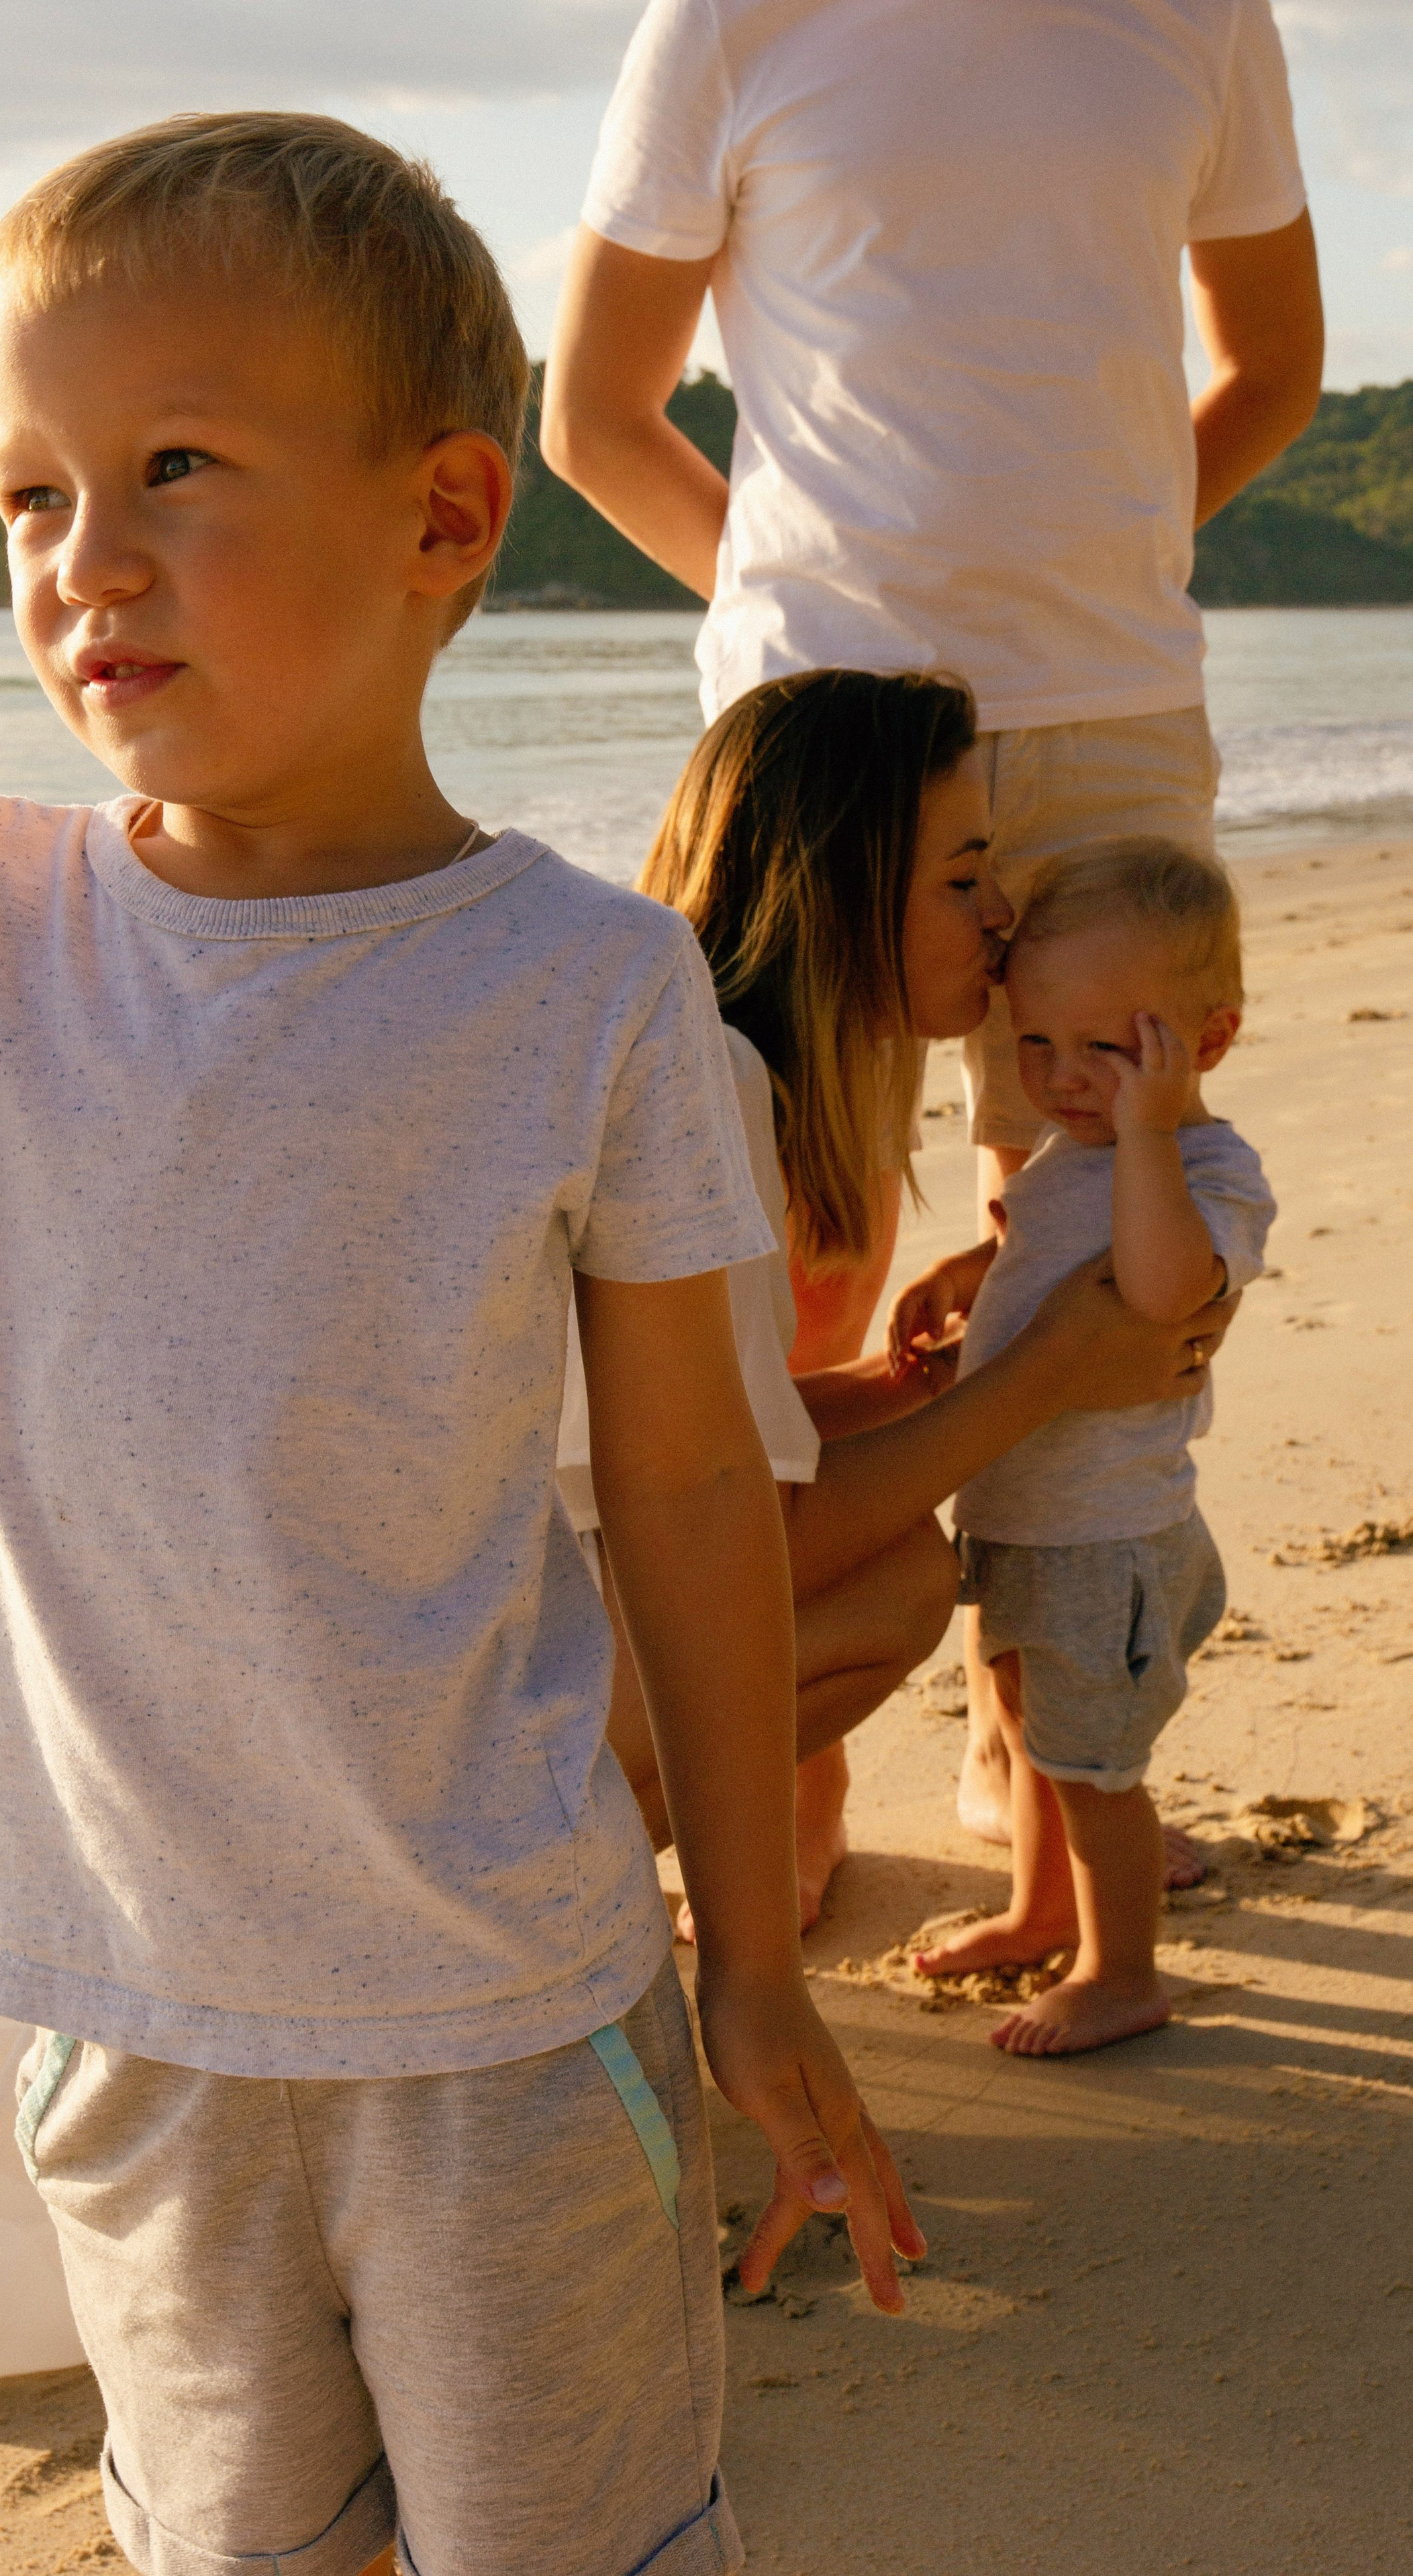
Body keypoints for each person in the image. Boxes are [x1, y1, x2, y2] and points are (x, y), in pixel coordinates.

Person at [0, 112, 928, 2576]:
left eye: (174, 465)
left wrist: (760, 1971)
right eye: (29, 492)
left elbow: (689, 1486)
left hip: (510, 2021)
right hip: (122, 2013)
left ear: (449, 517)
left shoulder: (585, 985)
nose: (84, 562)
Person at [540, 0, 1322, 1854]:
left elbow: (1274, 368)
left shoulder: (1206, 16)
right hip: (837, 718)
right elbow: (592, 417)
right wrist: (819, 626)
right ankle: (775, 1766)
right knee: (791, 1207)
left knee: (1076, 1208)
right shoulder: (730, 18)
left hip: (1113, 708)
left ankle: (1034, 1737)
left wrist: (1109, 560)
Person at [556, 670, 1245, 1929]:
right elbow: (720, 1532)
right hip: (459, 1685)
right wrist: (1047, 1371)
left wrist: (894, 1385)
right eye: (962, 876)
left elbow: (649, 1450)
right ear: (840, 884)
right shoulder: (705, 1096)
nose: (1002, 913)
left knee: (886, 1529)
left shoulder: (673, 1040)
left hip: (461, 1616)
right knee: (900, 1586)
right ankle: (549, 1902)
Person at [892, 842, 1273, 2052]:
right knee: (1022, 1727)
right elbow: (1046, 1245)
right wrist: (974, 1272)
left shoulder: (1204, 1168)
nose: (1060, 1079)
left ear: (1202, 1045)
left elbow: (1163, 1293)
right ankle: (1040, 1905)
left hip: (1109, 1537)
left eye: (1105, 1049)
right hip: (1034, 1517)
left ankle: (1120, 1968)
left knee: (1096, 1769)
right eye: (1034, 1043)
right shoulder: (1090, 1147)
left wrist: (1152, 1134)